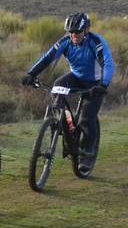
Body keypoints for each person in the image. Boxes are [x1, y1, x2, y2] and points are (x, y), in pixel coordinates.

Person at [21, 12, 114, 174]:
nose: (73, 35)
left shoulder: (96, 42)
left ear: (86, 30)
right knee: (57, 86)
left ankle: (87, 153)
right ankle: (58, 123)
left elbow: (108, 64)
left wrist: (103, 85)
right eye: (70, 32)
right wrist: (31, 73)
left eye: (77, 32)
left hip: (95, 83)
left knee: (87, 117)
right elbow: (47, 57)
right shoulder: (66, 41)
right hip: (76, 78)